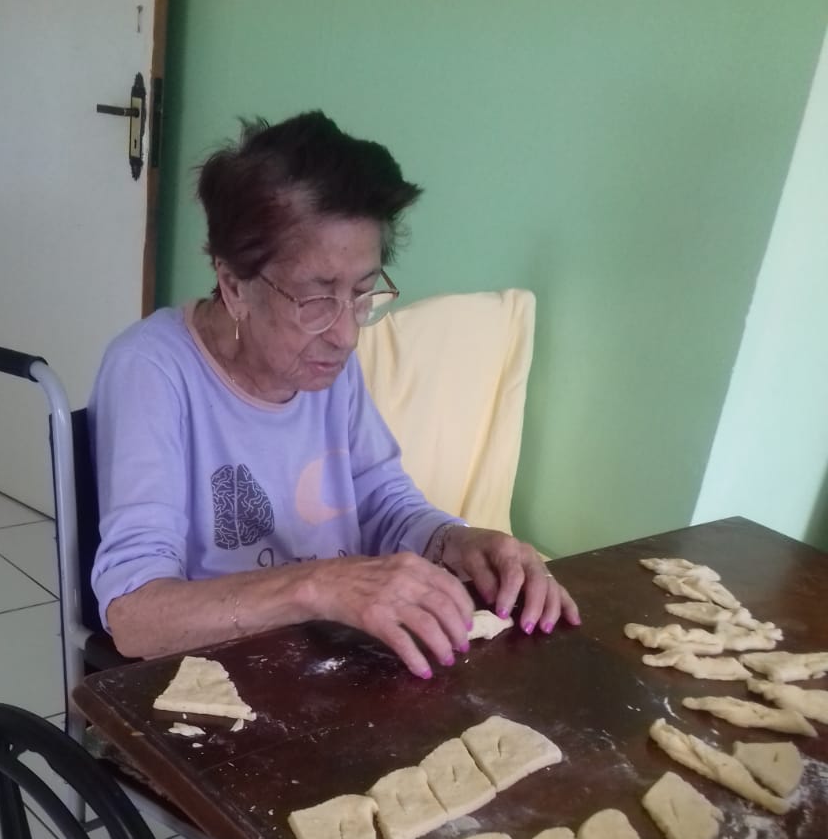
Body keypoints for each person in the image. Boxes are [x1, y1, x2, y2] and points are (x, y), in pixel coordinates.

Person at [89, 111, 579, 678]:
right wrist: (317, 586)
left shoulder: (320, 363)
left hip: (330, 663)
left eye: (362, 293)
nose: (346, 333)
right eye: (316, 298)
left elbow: (384, 503)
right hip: (214, 679)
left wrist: (456, 542)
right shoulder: (152, 371)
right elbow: (134, 616)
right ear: (233, 285)